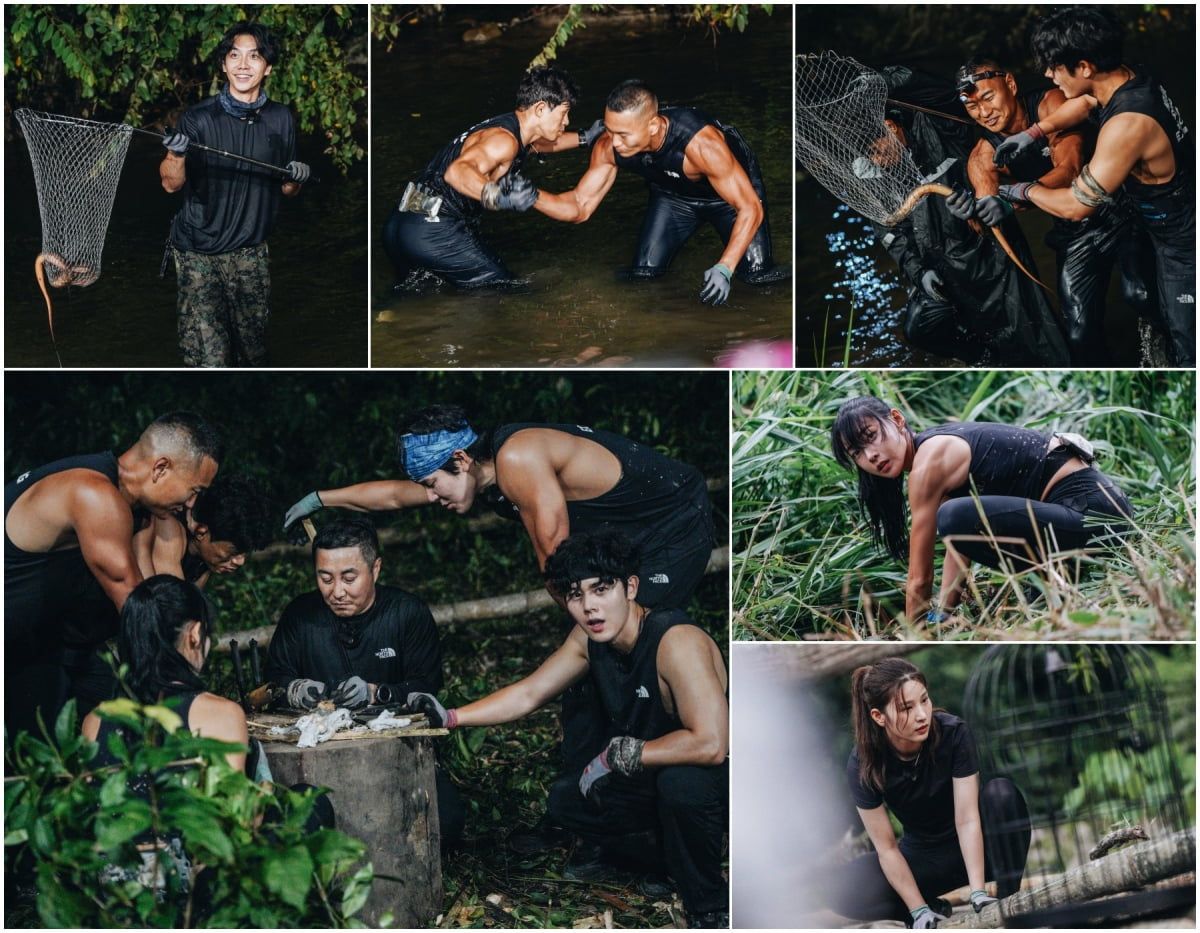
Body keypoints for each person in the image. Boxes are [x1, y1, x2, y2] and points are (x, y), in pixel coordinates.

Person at [282, 404, 716, 852]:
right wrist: (319, 499)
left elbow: (558, 562)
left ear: (462, 461)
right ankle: (583, 818)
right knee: (588, 672)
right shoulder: (476, 470)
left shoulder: (519, 460)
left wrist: (585, 632)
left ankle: (649, 822)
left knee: (627, 657)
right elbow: (395, 496)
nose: (433, 497)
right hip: (619, 536)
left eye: (434, 484)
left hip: (671, 525)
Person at [408, 531, 729, 928]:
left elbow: (712, 743)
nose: (590, 607)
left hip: (716, 776)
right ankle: (662, 855)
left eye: (601, 589)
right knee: (566, 801)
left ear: (630, 587)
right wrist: (451, 717)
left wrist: (620, 756)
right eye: (576, 595)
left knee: (682, 787)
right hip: (648, 773)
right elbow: (530, 693)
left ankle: (709, 906)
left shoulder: (676, 642)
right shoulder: (589, 638)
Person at [81, 574, 332, 911]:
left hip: (117, 894)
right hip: (191, 896)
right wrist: (262, 799)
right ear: (195, 634)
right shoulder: (219, 714)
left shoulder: (95, 720)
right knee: (310, 803)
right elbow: (233, 826)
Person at [984, 7, 1194, 365]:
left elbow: (1076, 206)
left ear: (1084, 67)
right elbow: (1083, 104)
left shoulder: (1127, 125)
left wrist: (1017, 191)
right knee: (1140, 297)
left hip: (1182, 241)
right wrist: (1033, 132)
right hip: (1156, 214)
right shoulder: (1128, 77)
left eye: (1054, 66)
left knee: (1187, 339)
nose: (1049, 75)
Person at [5, 411, 224, 740]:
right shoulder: (94, 495)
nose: (192, 504)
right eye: (193, 490)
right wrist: (192, 699)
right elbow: (136, 608)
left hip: (34, 645)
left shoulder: (126, 500)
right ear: (161, 468)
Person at [830, 396, 1134, 623]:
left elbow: (919, 577)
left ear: (897, 419)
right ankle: (1051, 579)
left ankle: (1048, 583)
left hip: (1094, 513)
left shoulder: (928, 462)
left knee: (951, 517)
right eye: (857, 452)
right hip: (1094, 517)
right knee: (955, 518)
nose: (870, 455)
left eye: (870, 436)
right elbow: (958, 545)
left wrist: (913, 629)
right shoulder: (934, 453)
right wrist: (943, 614)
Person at [263, 517, 464, 847]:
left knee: (447, 824)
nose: (336, 591)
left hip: (394, 748)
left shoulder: (406, 613)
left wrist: (377, 693)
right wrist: (297, 691)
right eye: (324, 578)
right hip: (318, 753)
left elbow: (426, 685)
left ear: (376, 568)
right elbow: (274, 681)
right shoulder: (301, 615)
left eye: (349, 578)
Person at [948, 58, 1157, 363]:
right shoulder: (982, 156)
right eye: (972, 107)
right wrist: (969, 211)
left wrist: (1013, 196)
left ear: (1010, 85)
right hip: (1072, 231)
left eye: (989, 98)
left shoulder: (1051, 104)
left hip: (1123, 211)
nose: (984, 113)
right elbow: (986, 217)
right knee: (1079, 334)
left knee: (1140, 294)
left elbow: (1070, 171)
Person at [864, 66, 1070, 365]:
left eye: (876, 149)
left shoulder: (937, 125)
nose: (876, 160)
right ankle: (980, 359)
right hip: (944, 267)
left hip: (990, 250)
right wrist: (919, 273)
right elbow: (890, 233)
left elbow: (941, 93)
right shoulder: (871, 174)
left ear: (891, 127)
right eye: (869, 155)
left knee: (1032, 332)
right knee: (921, 326)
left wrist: (885, 81)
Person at [531, 79, 789, 305]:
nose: (614, 142)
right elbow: (579, 207)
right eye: (609, 130)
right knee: (643, 277)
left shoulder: (702, 144)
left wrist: (724, 267)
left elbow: (750, 207)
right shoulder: (609, 146)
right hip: (673, 198)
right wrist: (533, 196)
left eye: (622, 134)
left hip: (729, 200)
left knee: (758, 279)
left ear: (653, 126)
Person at [825, 658, 1030, 927]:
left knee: (1002, 794)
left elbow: (967, 819)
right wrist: (917, 908)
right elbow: (886, 847)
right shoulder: (863, 763)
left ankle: (1005, 902)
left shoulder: (953, 732)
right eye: (906, 708)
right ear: (878, 716)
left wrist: (977, 891)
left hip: (978, 845)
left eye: (924, 700)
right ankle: (926, 910)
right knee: (841, 889)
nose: (922, 714)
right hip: (924, 859)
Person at [160, 22, 311, 367]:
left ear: (268, 67)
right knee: (209, 359)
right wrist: (176, 154)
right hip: (199, 251)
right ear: (224, 66)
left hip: (251, 252)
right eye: (235, 56)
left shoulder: (282, 117)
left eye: (254, 57)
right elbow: (170, 184)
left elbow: (288, 189)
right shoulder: (197, 118)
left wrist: (296, 177)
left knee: (254, 353)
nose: (243, 65)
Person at [383, 66, 585, 292]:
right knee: (507, 290)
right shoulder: (503, 141)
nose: (566, 121)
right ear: (540, 109)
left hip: (402, 225)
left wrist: (586, 138)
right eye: (564, 113)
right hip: (433, 231)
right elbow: (456, 172)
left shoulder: (509, 130)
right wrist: (499, 196)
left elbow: (540, 145)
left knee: (417, 294)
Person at [134, 473, 274, 587]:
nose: (240, 562)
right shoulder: (169, 529)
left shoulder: (209, 553)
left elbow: (192, 603)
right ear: (201, 532)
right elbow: (171, 604)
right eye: (233, 552)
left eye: (244, 553)